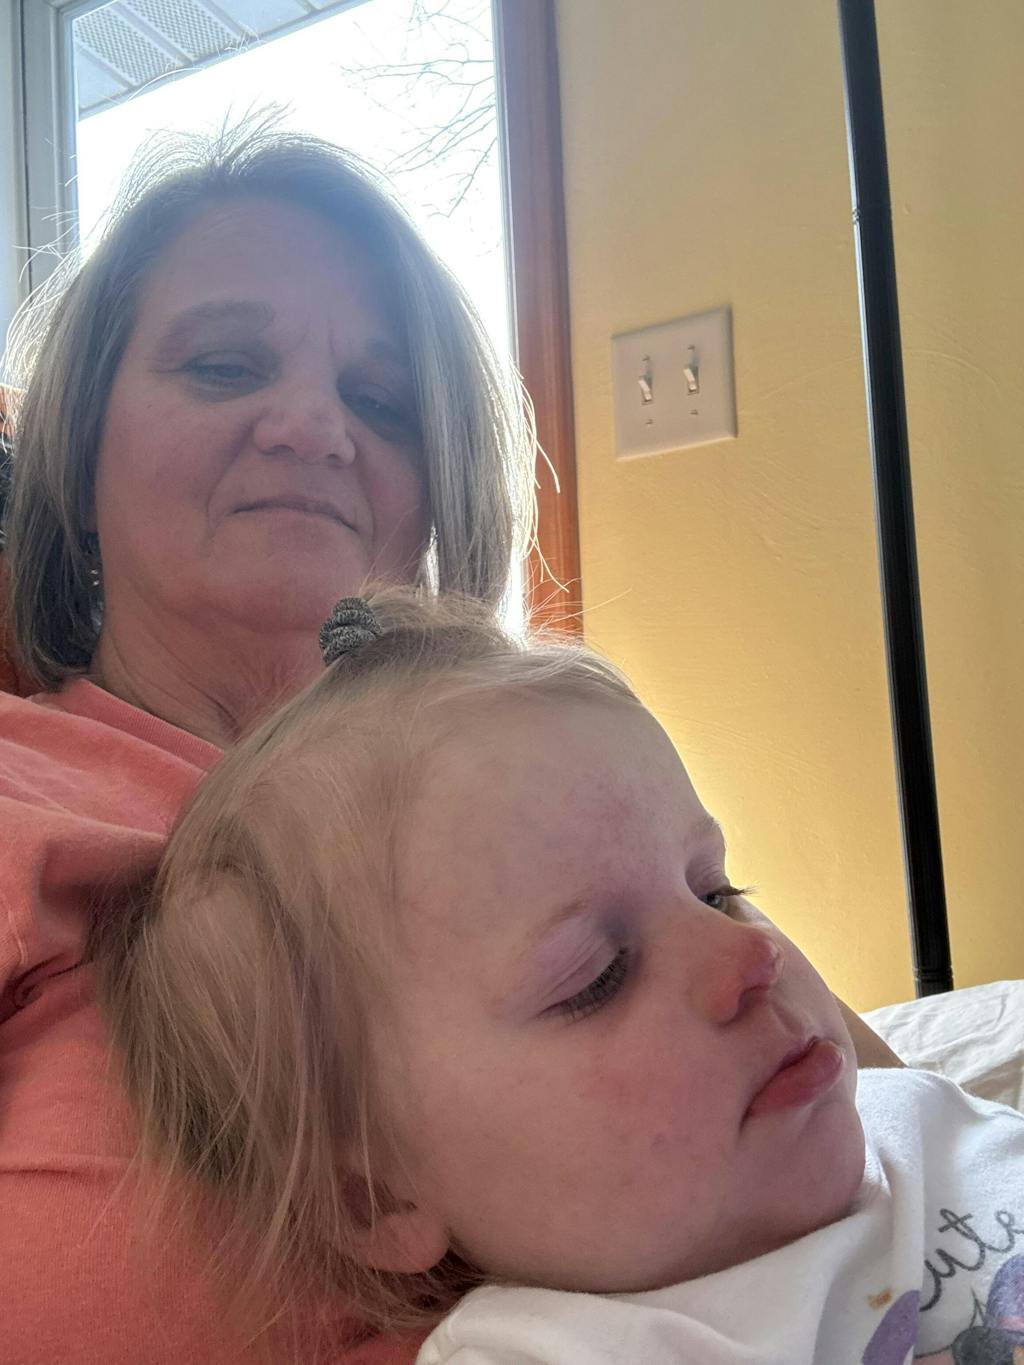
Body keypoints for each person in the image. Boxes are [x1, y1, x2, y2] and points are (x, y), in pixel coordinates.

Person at [91, 589, 1024, 1365]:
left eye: (717, 891)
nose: (752, 955)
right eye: (597, 977)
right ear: (375, 1197)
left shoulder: (918, 1119)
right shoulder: (556, 1348)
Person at [0, 120, 531, 1365]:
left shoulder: (541, 781)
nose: (312, 426)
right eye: (226, 366)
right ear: (78, 454)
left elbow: (864, 1109)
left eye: (380, 401)